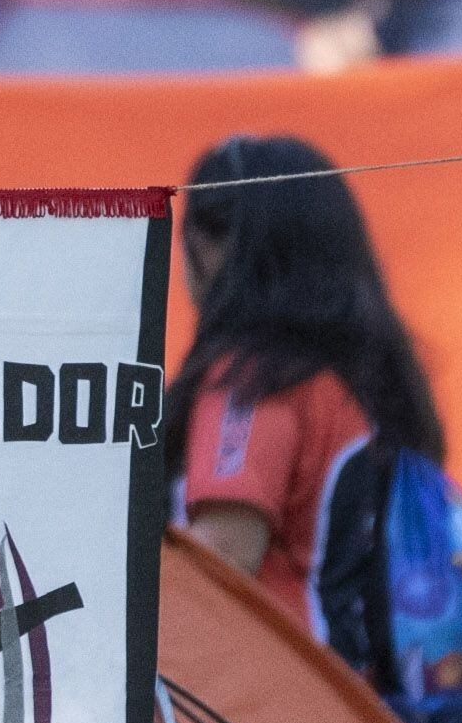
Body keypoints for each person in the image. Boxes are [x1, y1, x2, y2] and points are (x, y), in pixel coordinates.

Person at [166, 135, 447, 621]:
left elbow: (222, 557)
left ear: (213, 247)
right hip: (355, 686)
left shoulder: (252, 381)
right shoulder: (360, 377)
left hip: (263, 688)